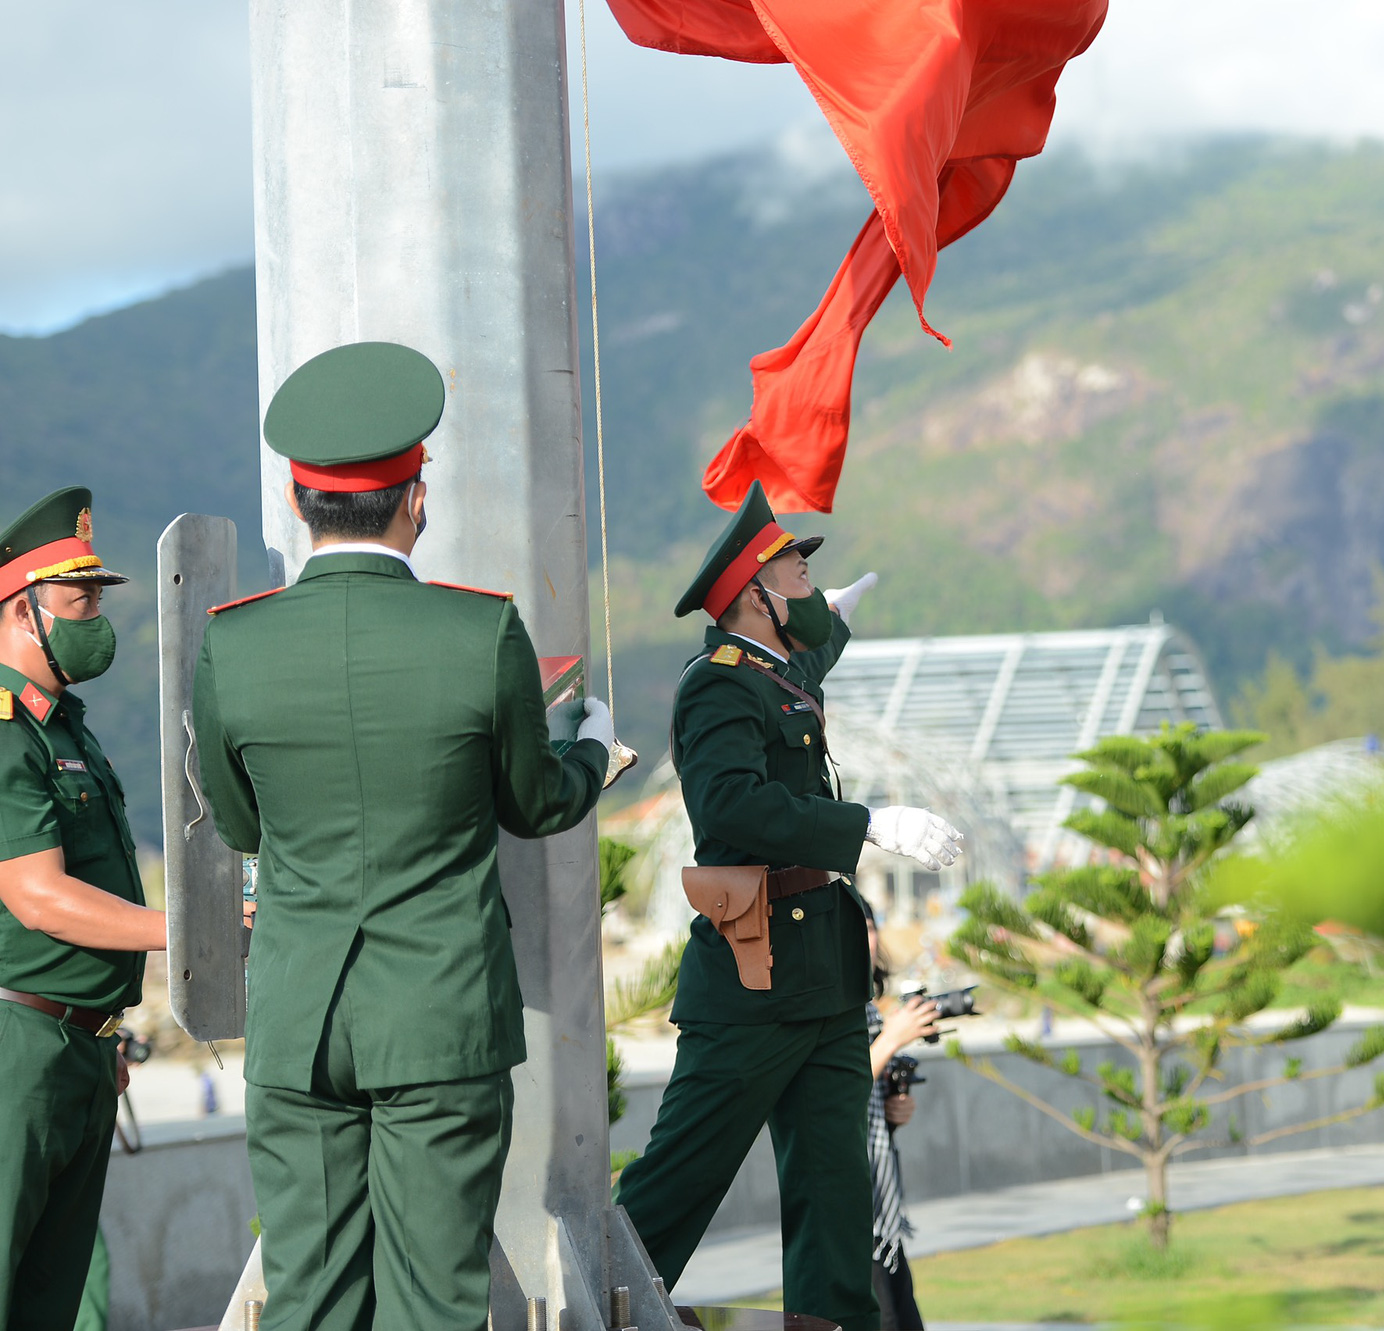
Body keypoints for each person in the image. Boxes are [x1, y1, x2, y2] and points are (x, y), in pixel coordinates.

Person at [192, 341, 623, 1331]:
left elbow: (241, 820)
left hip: (300, 1023)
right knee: (434, 1303)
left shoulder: (236, 638)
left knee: (307, 1298)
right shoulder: (480, 633)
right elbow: (535, 802)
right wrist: (591, 748)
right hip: (436, 1019)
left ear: (299, 504)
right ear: (414, 497)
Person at [614, 480, 964, 1331]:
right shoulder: (718, 686)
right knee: (678, 1185)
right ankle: (600, 1306)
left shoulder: (772, 668)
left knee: (834, 1200)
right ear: (754, 600)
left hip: (825, 978)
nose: (810, 590)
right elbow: (731, 806)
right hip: (754, 975)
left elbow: (803, 662)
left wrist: (830, 617)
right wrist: (870, 823)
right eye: (796, 581)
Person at [0, 487, 164, 1331]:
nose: (97, 615)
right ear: (21, 610)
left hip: (82, 1046)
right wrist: (187, 929)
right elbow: (37, 893)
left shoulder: (67, 729)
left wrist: (110, 1033)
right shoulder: (4, 729)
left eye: (99, 596)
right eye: (79, 599)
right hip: (17, 1052)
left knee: (50, 1301)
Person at [861, 901, 939, 1331]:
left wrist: (893, 1112)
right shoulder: (831, 1012)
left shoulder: (869, 1010)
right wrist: (891, 1039)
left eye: (870, 925)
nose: (866, 936)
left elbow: (865, 1098)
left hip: (880, 1202)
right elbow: (836, 1098)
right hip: (850, 1203)